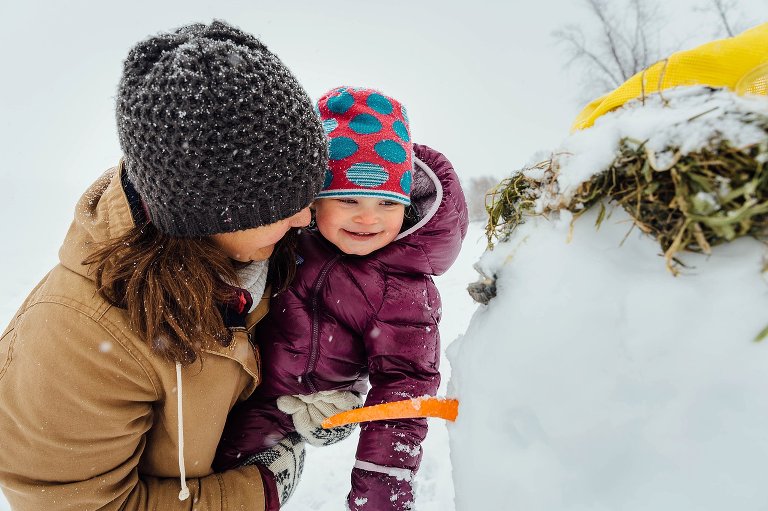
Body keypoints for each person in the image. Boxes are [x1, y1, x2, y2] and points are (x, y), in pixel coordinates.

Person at [0, 21, 329, 511]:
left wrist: (307, 398)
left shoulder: (255, 256)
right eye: (282, 207)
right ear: (207, 214)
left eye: (310, 192)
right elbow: (76, 505)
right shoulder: (79, 337)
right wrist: (256, 491)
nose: (306, 218)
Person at [214, 86, 469, 510]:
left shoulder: (403, 286)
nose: (368, 217)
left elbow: (404, 385)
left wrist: (382, 488)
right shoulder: (286, 240)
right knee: (228, 483)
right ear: (313, 200)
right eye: (348, 199)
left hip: (331, 403)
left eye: (387, 202)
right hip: (259, 394)